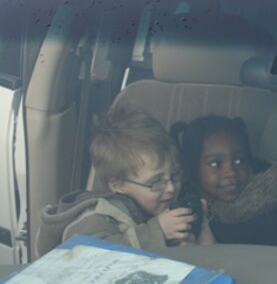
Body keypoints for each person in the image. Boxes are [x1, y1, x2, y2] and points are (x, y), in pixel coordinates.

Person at [35, 105, 214, 257]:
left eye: (175, 175)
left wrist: (201, 239)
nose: (171, 188)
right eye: (156, 182)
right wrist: (157, 232)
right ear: (117, 184)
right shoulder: (98, 216)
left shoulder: (164, 205)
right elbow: (88, 257)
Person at [173, 115, 277, 245]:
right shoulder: (183, 213)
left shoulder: (269, 215)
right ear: (193, 167)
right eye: (216, 164)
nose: (231, 172)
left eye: (239, 161)